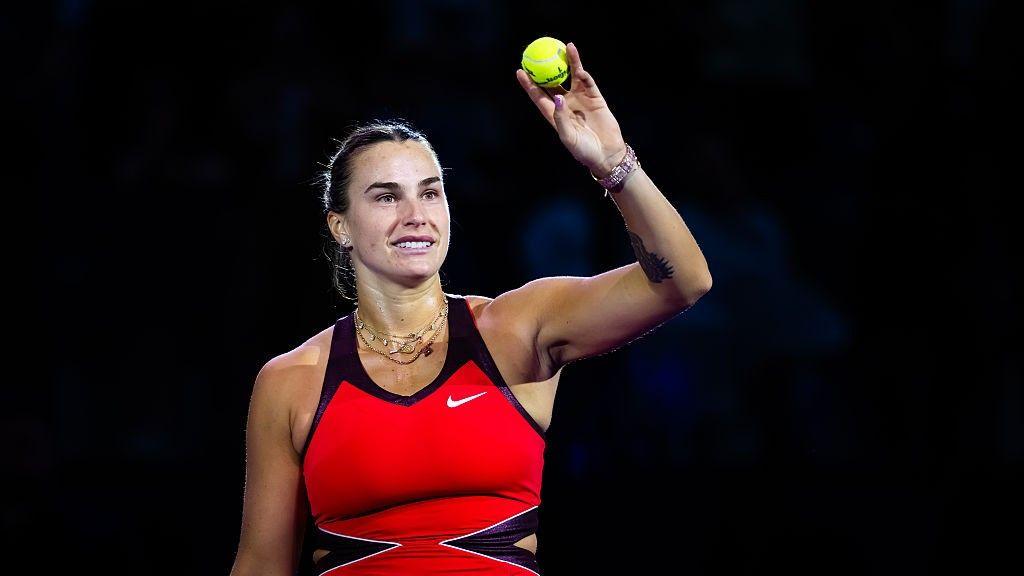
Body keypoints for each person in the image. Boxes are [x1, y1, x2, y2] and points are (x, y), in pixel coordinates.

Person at [229, 41, 712, 576]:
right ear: (340, 225)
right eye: (387, 197)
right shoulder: (291, 381)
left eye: (431, 193)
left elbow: (682, 283)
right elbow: (261, 563)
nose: (416, 215)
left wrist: (614, 164)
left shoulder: (518, 328)